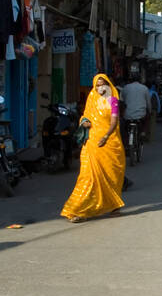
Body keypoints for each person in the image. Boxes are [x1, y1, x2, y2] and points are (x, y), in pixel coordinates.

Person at [61, 74, 125, 222]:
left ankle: (114, 206)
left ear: (108, 85)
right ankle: (77, 210)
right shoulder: (92, 98)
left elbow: (114, 121)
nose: (100, 88)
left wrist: (106, 136)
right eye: (97, 85)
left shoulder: (113, 100)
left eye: (103, 85)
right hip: (92, 143)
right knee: (87, 177)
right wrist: (84, 122)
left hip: (109, 143)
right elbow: (85, 116)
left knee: (112, 176)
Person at [120, 74, 151, 146]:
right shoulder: (144, 88)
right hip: (141, 115)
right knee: (147, 118)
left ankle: (125, 139)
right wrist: (149, 111)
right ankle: (143, 132)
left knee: (124, 126)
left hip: (127, 115)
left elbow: (121, 101)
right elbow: (148, 103)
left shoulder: (125, 88)